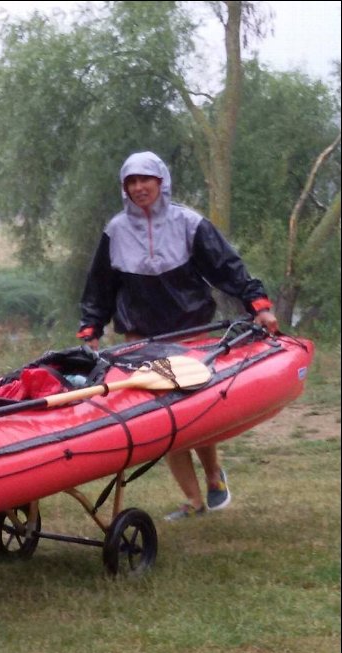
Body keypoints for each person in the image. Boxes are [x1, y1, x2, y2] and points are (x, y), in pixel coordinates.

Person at [77, 150, 280, 522]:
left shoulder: (190, 223)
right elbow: (100, 287)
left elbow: (228, 269)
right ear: (124, 188)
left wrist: (259, 305)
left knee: (194, 413)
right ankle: (193, 500)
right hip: (141, 339)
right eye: (131, 182)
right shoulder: (116, 231)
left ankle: (215, 476)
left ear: (161, 182)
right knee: (166, 416)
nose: (139, 188)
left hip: (192, 332)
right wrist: (91, 327)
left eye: (145, 180)